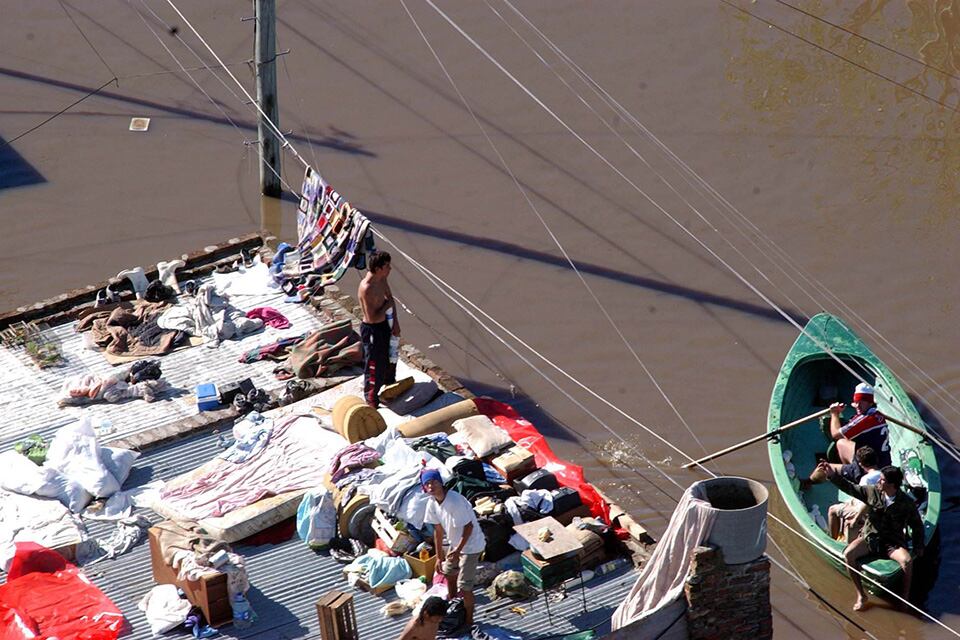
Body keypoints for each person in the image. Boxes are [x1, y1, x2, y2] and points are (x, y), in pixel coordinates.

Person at [817, 460, 924, 611]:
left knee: (907, 561)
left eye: (882, 480)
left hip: (892, 543)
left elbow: (917, 525)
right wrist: (832, 475)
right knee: (848, 554)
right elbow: (851, 488)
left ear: (892, 485)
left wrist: (919, 546)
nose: (879, 482)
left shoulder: (906, 503)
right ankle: (861, 595)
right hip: (870, 538)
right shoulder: (872, 492)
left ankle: (904, 599)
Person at [421, 468, 486, 628]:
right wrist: (439, 558)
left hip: (471, 545)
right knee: (448, 573)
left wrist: (457, 551)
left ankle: (469, 621)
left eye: (434, 482)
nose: (431, 486)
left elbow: (469, 527)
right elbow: (438, 531)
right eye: (427, 484)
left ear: (440, 482)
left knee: (465, 587)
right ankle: (452, 606)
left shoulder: (455, 501)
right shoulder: (432, 503)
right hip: (455, 544)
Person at [357, 251, 400, 407]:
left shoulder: (382, 279)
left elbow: (390, 298)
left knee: (390, 357)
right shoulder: (366, 288)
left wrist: (395, 323)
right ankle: (371, 397)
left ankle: (389, 386)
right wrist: (387, 305)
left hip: (384, 325)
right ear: (378, 268)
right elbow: (372, 317)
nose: (390, 269)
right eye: (387, 266)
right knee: (375, 363)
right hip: (372, 329)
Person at [827, 382, 891, 467]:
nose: (857, 406)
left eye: (861, 402)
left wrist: (834, 414)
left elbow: (835, 434)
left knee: (839, 444)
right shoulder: (877, 415)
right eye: (856, 402)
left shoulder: (866, 419)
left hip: (872, 466)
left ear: (870, 403)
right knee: (842, 442)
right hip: (885, 462)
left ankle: (852, 471)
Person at [826, 446, 882, 541]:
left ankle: (832, 540)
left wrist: (856, 519)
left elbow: (867, 503)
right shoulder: (883, 474)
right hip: (880, 512)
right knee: (849, 501)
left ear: (860, 464)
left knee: (832, 510)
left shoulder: (866, 479)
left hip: (867, 514)